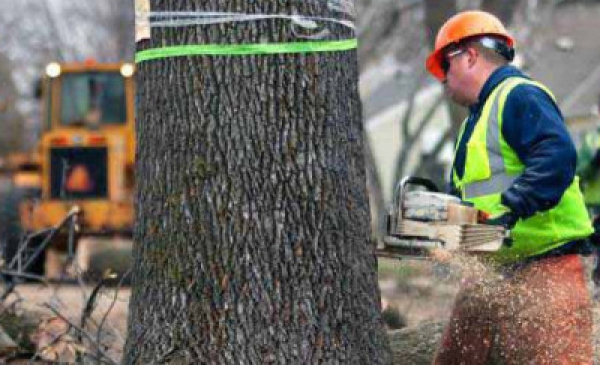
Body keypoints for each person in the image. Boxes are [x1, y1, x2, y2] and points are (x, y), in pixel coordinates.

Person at [425, 10, 595, 364]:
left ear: (469, 56)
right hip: (493, 270)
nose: (444, 80)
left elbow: (556, 157)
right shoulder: (474, 125)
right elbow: (465, 197)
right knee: (457, 356)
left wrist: (510, 209)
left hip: (548, 265)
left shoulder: (519, 96)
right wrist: (437, 229)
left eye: (446, 68)